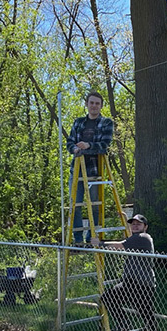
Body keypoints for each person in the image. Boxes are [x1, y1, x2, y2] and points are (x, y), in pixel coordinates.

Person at [91, 214, 158, 331]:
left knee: (146, 314)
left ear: (145, 227)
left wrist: (99, 243)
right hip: (129, 283)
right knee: (108, 297)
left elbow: (119, 245)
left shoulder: (143, 238)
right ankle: (124, 323)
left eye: (138, 224)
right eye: (133, 224)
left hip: (143, 284)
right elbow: (123, 243)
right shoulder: (133, 239)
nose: (135, 226)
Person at [66, 91, 115, 243]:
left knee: (94, 205)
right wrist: (74, 149)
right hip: (77, 169)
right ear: (86, 104)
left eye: (97, 103)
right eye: (91, 103)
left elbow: (104, 145)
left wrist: (88, 146)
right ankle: (78, 239)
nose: (94, 106)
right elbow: (70, 142)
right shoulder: (78, 122)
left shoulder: (106, 123)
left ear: (101, 106)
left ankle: (91, 237)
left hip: (95, 171)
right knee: (75, 205)